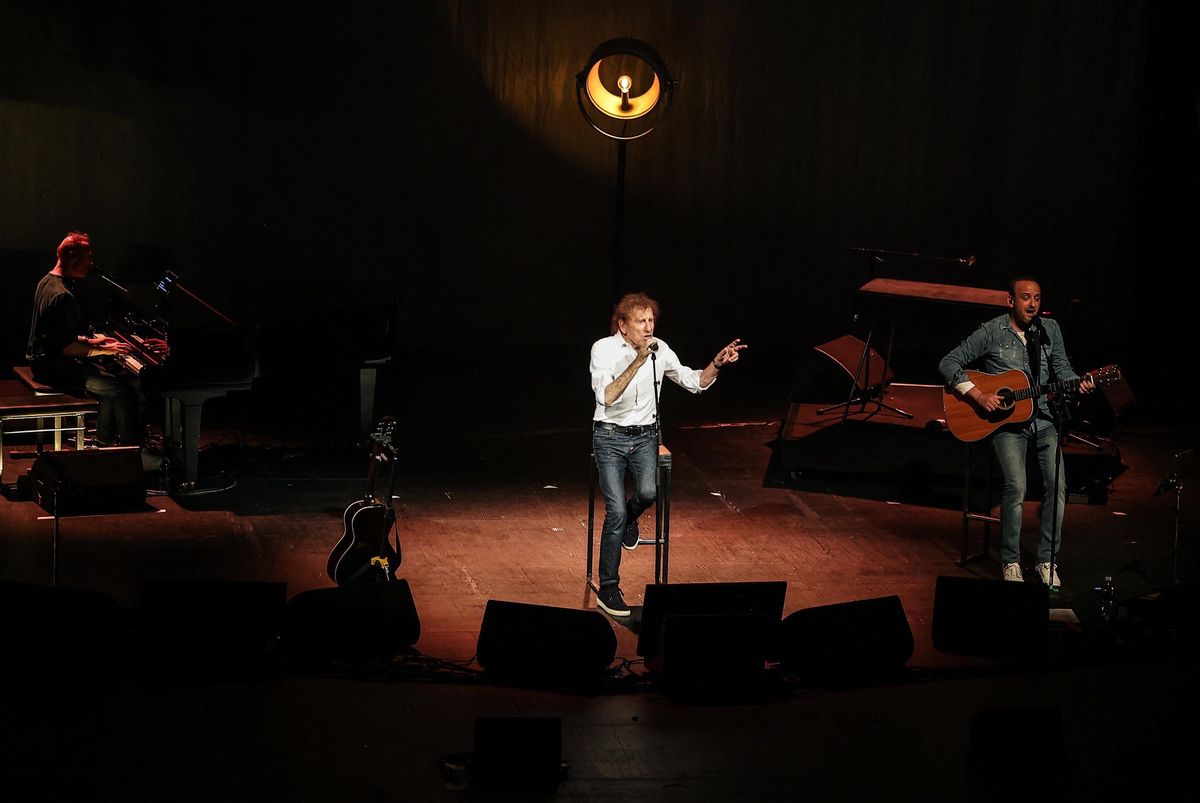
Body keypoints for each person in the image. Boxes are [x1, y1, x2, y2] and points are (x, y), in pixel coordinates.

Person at [589, 292, 746, 616]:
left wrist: (716, 364)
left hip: (646, 435)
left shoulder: (660, 349)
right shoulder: (602, 350)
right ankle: (609, 588)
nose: (648, 328)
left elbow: (693, 382)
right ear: (622, 325)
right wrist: (638, 360)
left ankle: (630, 520)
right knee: (615, 511)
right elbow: (607, 397)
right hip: (610, 436)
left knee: (647, 492)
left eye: (651, 321)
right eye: (640, 321)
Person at [938, 276, 1094, 588]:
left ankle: (1046, 559)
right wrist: (979, 396)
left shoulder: (1050, 330)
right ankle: (1011, 561)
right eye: (1025, 298)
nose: (1032, 304)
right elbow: (948, 362)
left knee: (1057, 486)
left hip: (1046, 419)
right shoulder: (993, 331)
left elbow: (1061, 369)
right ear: (1011, 301)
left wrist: (1080, 381)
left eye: (1037, 298)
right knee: (1016, 487)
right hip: (1007, 425)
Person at [26, 231, 165, 457]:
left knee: (112, 382)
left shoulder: (47, 281)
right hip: (55, 369)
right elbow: (66, 348)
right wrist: (104, 349)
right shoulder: (63, 296)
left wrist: (91, 340)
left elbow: (55, 335)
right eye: (88, 258)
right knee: (123, 390)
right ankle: (132, 455)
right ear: (72, 258)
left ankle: (103, 444)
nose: (91, 264)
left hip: (45, 362)